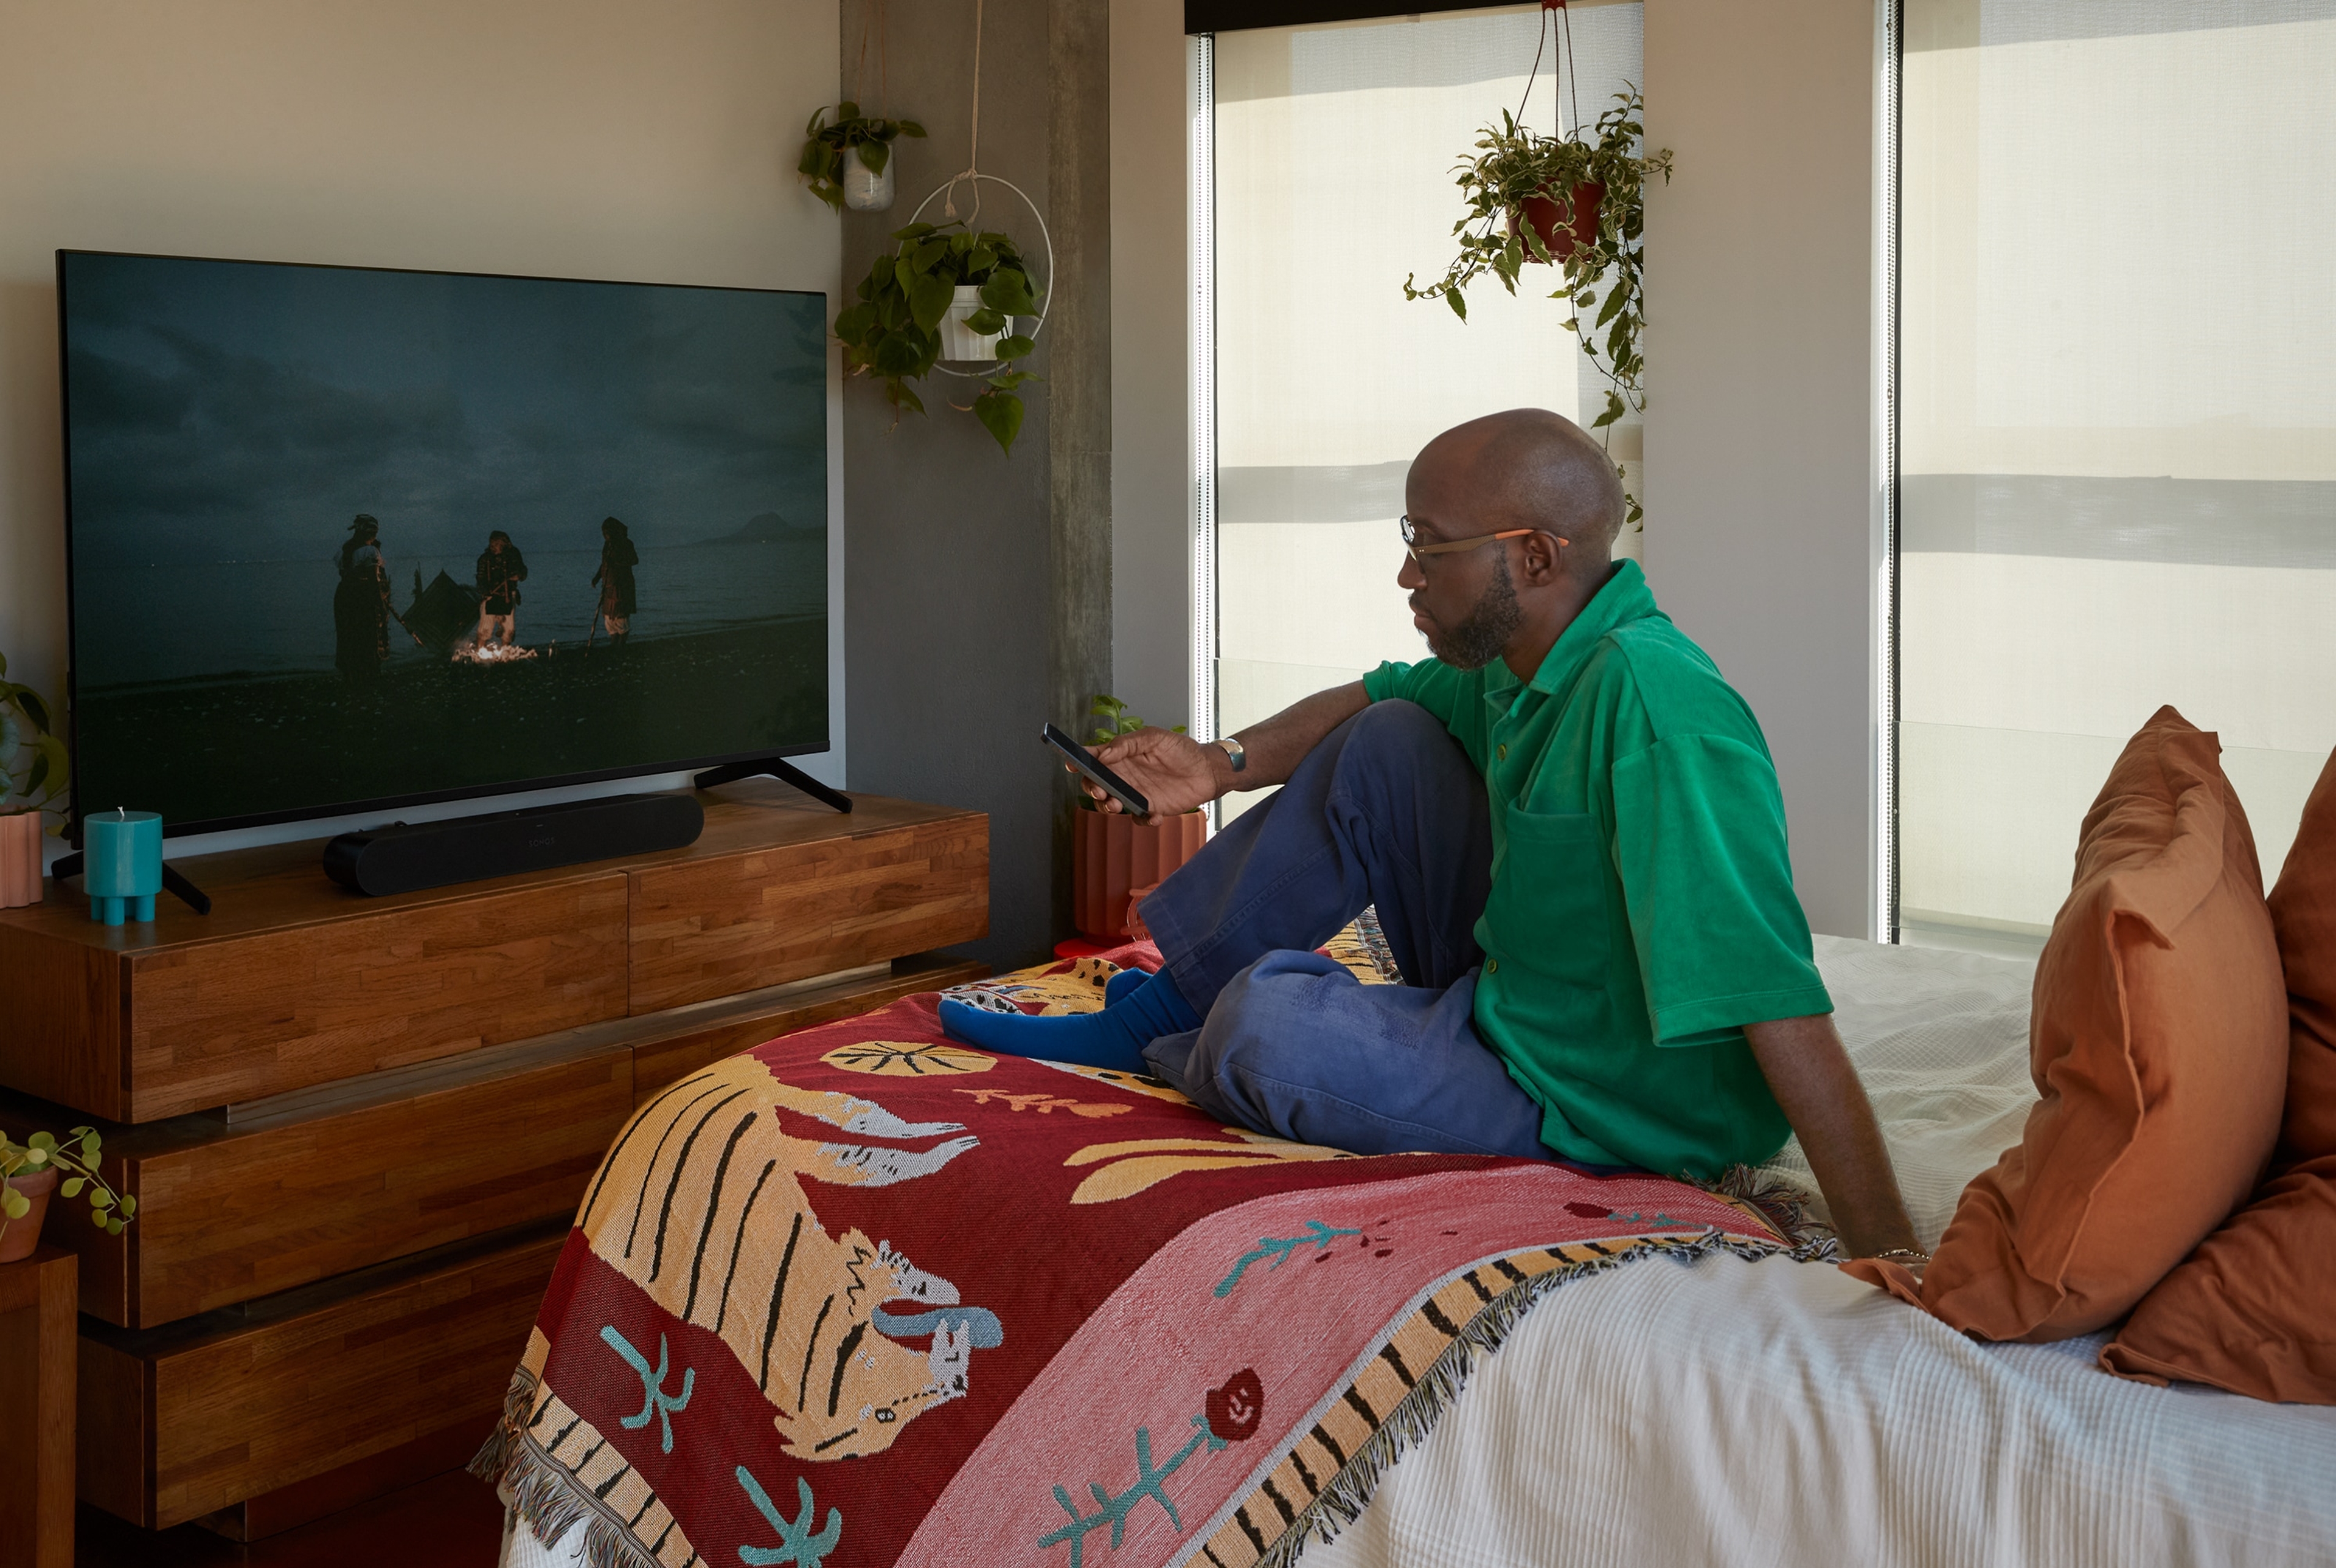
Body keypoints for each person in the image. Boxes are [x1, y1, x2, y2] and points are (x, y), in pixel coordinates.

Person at [940, 408, 1927, 1269]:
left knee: (1264, 1031)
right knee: (1388, 740)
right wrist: (1214, 762)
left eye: (1432, 544)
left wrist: (1891, 1255)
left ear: (1534, 556)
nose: (1408, 571)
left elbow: (1779, 1003)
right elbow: (1375, 697)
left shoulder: (1657, 715)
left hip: (1607, 1103)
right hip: (1518, 1004)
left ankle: (1221, 1025)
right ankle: (1164, 1008)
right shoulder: (1521, 654)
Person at [333, 515, 392, 682]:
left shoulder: (346, 550)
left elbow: (344, 574)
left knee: (348, 633)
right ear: (369, 533)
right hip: (361, 597)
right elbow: (373, 581)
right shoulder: (369, 551)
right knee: (368, 633)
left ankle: (350, 672)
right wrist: (381, 606)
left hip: (344, 596)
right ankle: (368, 671)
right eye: (374, 532)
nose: (376, 536)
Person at [475, 529, 529, 650]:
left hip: (508, 596)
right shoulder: (485, 559)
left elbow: (523, 571)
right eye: (492, 544)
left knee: (508, 630)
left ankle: (505, 653)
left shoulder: (513, 554)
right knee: (485, 629)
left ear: (504, 544)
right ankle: (480, 651)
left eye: (496, 544)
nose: (493, 547)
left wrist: (518, 575)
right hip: (490, 597)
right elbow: (480, 578)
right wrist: (485, 592)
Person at [592, 516, 638, 647]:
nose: (605, 536)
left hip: (622, 585)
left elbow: (634, 560)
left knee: (620, 615)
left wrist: (618, 562)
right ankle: (614, 642)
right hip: (608, 586)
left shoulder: (626, 544)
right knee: (608, 617)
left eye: (607, 533)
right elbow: (605, 564)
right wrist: (597, 578)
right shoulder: (608, 545)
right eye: (604, 533)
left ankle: (622, 644)